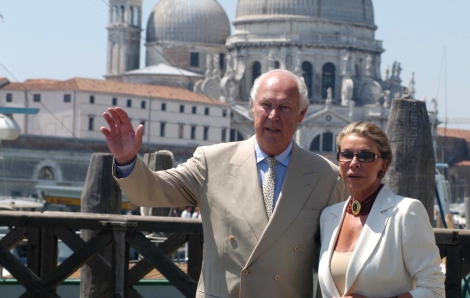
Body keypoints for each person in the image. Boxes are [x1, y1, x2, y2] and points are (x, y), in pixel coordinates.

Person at [100, 69, 348, 298]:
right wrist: (127, 160)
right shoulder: (212, 161)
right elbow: (152, 193)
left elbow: (339, 259)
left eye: (284, 107)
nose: (273, 116)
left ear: (302, 114)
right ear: (252, 107)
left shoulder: (326, 176)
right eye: (266, 105)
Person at [318, 122, 445, 298]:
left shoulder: (405, 212)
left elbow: (435, 291)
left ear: (383, 166)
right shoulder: (329, 216)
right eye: (346, 155)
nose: (354, 163)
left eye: (365, 156)